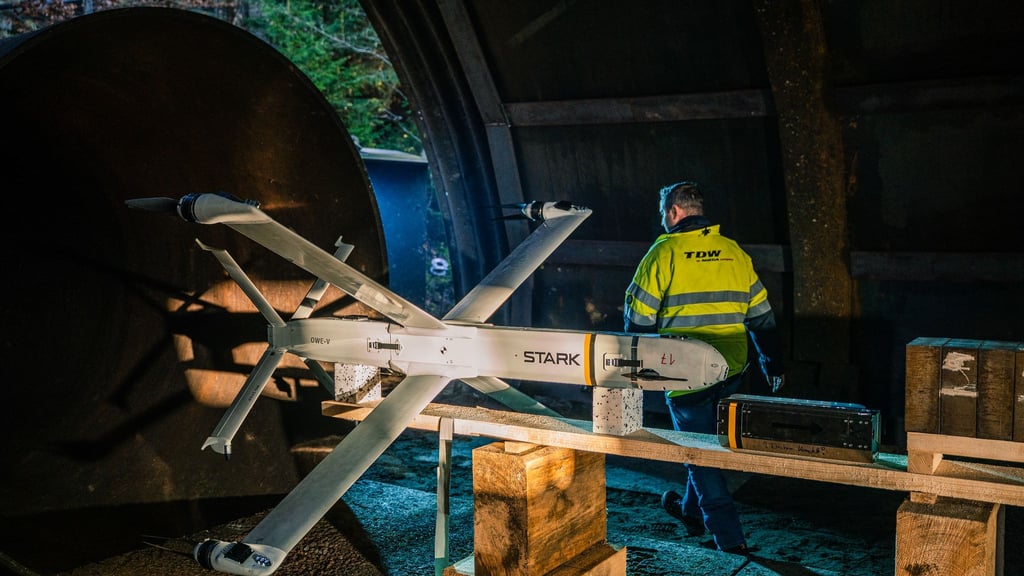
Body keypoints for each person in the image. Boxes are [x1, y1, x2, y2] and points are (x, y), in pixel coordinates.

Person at [623, 180, 785, 554]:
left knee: (698, 455)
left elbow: (639, 323)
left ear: (674, 212)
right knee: (708, 445)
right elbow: (762, 316)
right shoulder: (733, 252)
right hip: (733, 369)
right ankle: (690, 512)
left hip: (686, 372)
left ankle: (729, 538)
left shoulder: (663, 253)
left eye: (663, 212)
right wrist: (772, 362)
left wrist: (638, 373)